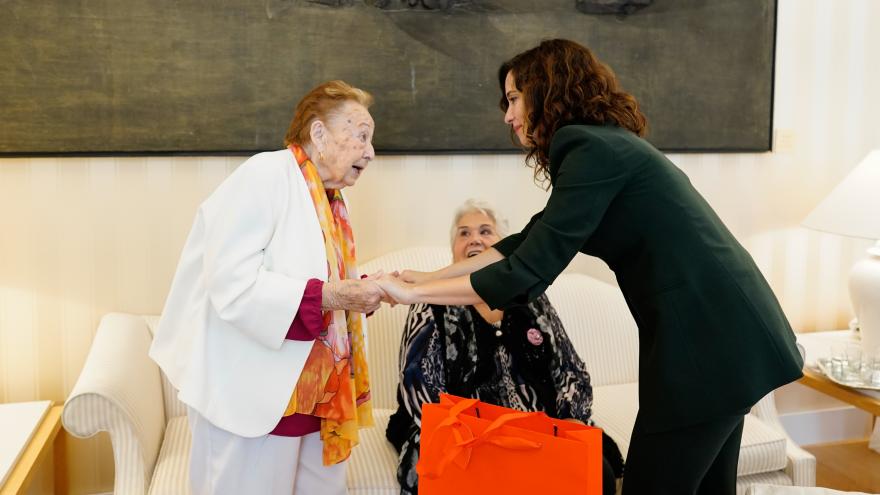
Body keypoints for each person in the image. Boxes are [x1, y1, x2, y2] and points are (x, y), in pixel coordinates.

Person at [376, 39, 804, 495]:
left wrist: (410, 295)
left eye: (514, 98)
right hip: (728, 337)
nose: (507, 115)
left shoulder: (585, 147)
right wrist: (425, 277)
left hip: (707, 343)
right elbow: (526, 240)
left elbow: (525, 273)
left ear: (545, 90)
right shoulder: (602, 145)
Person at [150, 80, 387, 495]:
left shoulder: (329, 199)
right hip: (253, 397)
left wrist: (365, 291)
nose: (370, 152)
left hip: (318, 400)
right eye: (361, 136)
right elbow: (231, 282)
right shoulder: (266, 173)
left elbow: (309, 274)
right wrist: (334, 297)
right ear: (318, 134)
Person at [384, 199, 623, 495]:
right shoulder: (429, 299)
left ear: (503, 248)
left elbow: (570, 369)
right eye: (464, 233)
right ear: (454, 251)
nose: (475, 239)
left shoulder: (531, 297)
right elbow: (417, 383)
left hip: (538, 434)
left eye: (486, 232)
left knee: (598, 470)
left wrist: (570, 418)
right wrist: (479, 435)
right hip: (467, 437)